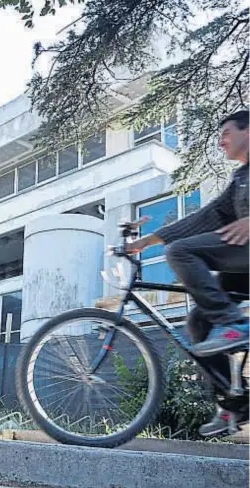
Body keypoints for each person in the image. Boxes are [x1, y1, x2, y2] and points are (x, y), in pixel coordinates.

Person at [125, 110, 249, 436]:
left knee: (180, 252)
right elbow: (205, 217)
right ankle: (235, 403)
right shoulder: (239, 180)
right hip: (243, 269)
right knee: (198, 323)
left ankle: (233, 324)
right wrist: (148, 241)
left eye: (226, 133)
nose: (221, 140)